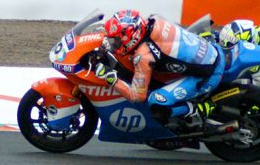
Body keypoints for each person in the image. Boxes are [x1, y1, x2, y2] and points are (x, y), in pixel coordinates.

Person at [94, 10, 226, 123]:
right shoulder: (154, 19)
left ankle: (201, 109)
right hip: (211, 50)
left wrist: (111, 78)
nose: (114, 44)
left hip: (209, 74)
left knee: (156, 102)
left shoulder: (144, 56)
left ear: (131, 36)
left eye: (116, 40)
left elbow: (137, 96)